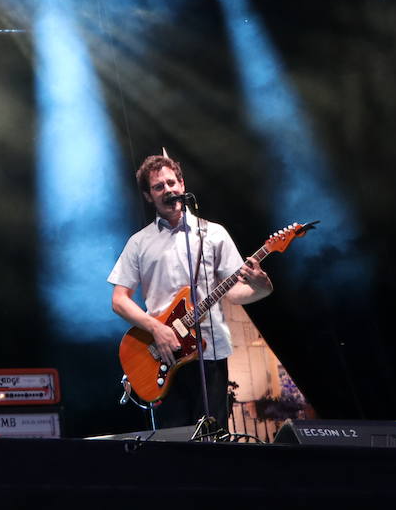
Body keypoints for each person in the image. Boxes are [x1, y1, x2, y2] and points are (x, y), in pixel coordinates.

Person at [107, 153, 273, 432]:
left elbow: (234, 293)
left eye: (171, 182)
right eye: (158, 187)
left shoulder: (213, 233)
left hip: (210, 350)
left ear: (182, 185)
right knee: (172, 441)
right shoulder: (139, 243)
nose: (167, 189)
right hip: (164, 355)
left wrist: (261, 285)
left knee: (214, 437)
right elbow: (119, 300)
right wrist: (155, 329)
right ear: (149, 196)